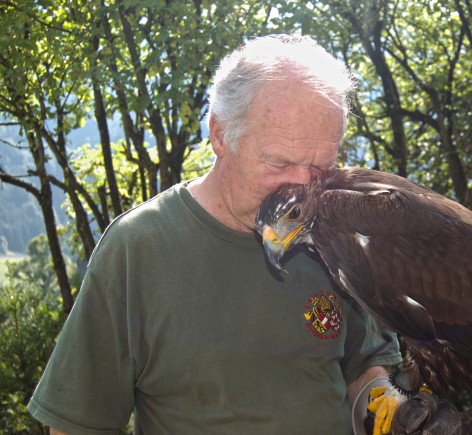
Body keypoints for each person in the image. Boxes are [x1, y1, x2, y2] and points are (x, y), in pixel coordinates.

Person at [27, 34, 404, 434]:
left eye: (321, 168)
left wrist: (393, 410)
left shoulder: (336, 239)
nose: (302, 192)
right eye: (278, 164)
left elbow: (363, 367)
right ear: (220, 135)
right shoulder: (138, 248)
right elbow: (78, 422)